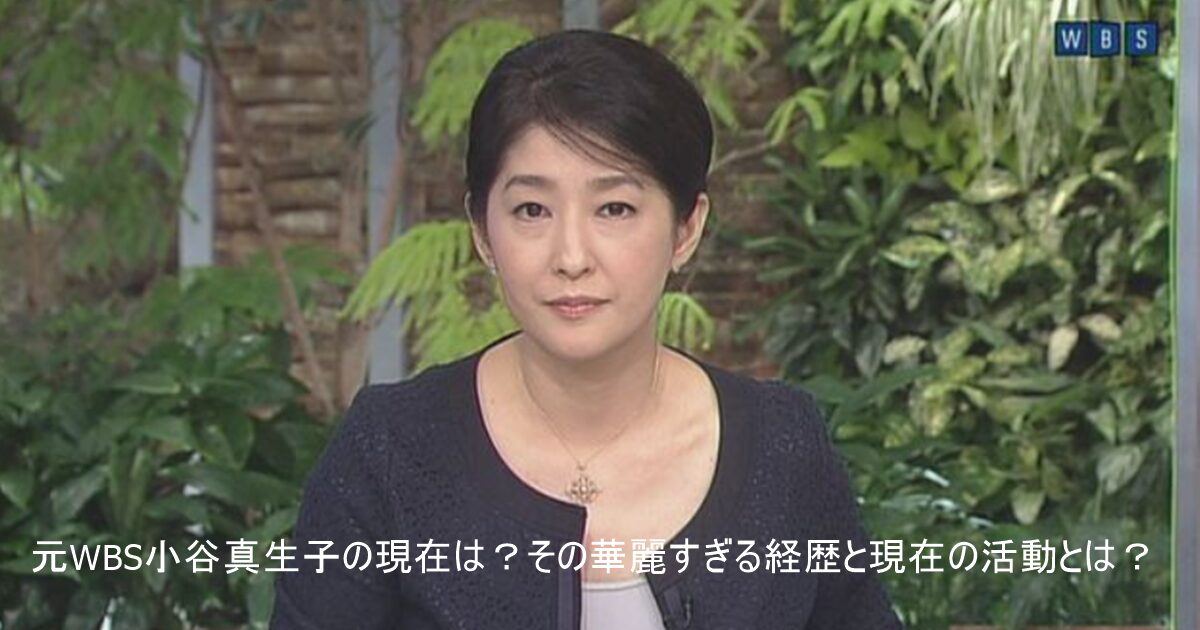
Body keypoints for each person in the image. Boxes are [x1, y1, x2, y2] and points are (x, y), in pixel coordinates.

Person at [271, 29, 903, 630]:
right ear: (482, 231)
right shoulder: (390, 448)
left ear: (686, 228)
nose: (571, 257)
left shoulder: (782, 445)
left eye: (614, 208)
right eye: (531, 210)